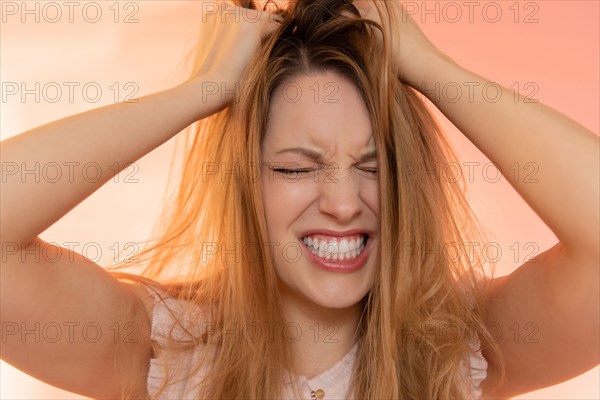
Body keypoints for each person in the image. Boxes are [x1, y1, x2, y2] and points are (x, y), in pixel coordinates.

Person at [1, 0, 598, 399]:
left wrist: (426, 64)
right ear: (245, 184)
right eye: (295, 167)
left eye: (373, 166)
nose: (343, 203)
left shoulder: (464, 347)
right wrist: (198, 93)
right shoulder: (164, 347)